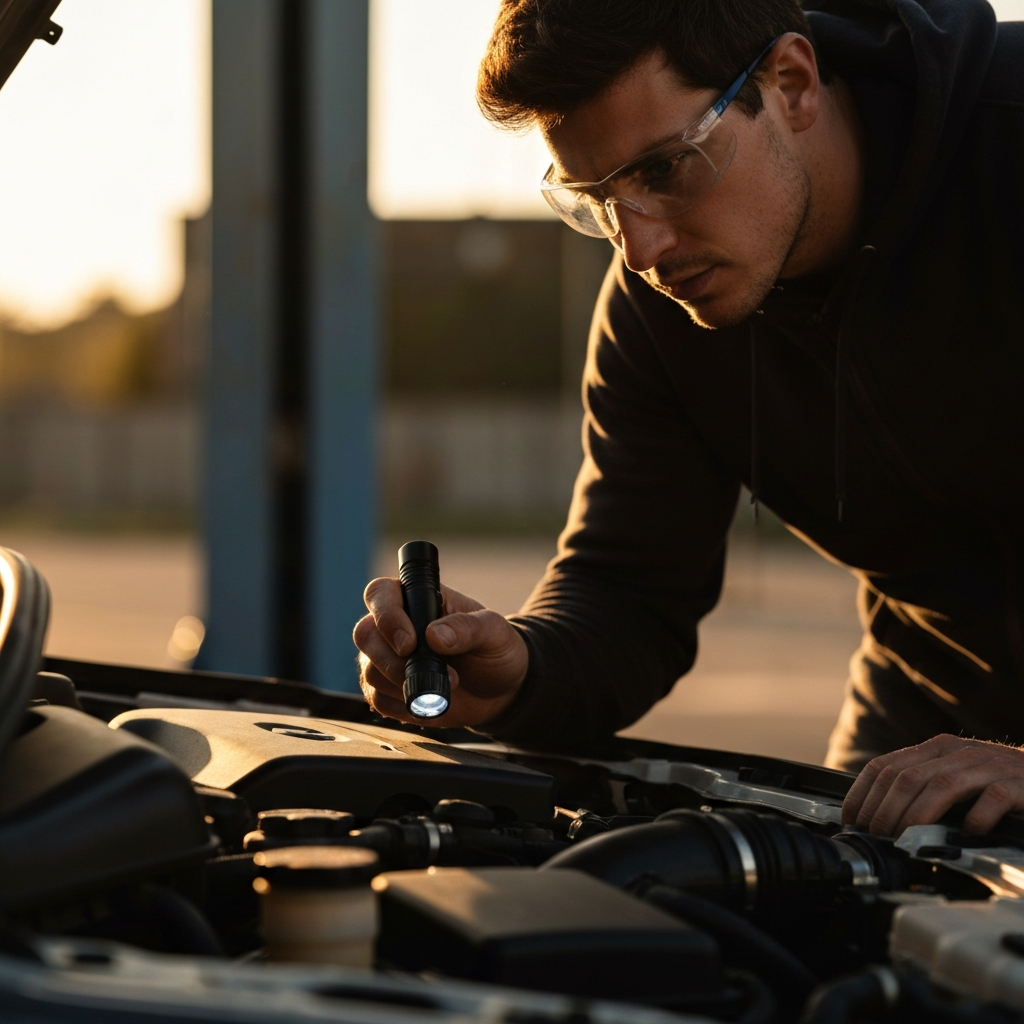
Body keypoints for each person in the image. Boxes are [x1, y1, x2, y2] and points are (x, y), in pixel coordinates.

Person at [354, 0, 1024, 837]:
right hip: (927, 743)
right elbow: (631, 588)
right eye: (596, 198)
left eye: (665, 169)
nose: (640, 249)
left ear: (791, 83)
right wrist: (517, 672)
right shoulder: (661, 309)